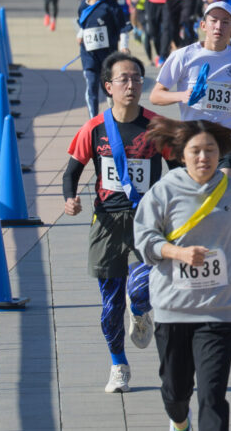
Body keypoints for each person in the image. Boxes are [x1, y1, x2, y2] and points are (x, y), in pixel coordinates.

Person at [133, 117, 231, 431]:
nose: (203, 157)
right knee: (175, 392)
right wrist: (179, 253)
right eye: (195, 151)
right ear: (181, 155)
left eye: (210, 150)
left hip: (218, 309)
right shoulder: (164, 191)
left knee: (212, 396)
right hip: (172, 308)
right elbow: (144, 238)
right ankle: (179, 421)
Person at [63, 52, 168, 394]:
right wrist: (70, 198)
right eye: (124, 79)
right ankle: (118, 365)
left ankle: (140, 312)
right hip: (107, 223)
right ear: (108, 86)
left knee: (139, 290)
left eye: (137, 78)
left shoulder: (157, 126)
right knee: (110, 303)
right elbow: (72, 172)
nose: (132, 85)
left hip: (147, 222)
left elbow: (181, 167)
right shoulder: (94, 128)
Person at [150, 2, 231, 179]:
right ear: (203, 25)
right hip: (194, 139)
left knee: (222, 191)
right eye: (213, 21)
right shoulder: (183, 56)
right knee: (199, 196)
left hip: (228, 140)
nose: (218, 26)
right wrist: (182, 95)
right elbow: (155, 96)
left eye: (225, 22)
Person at [76, 0, 131, 118]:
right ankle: (92, 120)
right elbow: (82, 24)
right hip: (89, 54)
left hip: (108, 55)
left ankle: (114, 117)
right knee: (92, 84)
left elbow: (123, 27)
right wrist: (80, 34)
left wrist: (124, 46)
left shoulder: (112, 7)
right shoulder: (82, 6)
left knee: (108, 89)